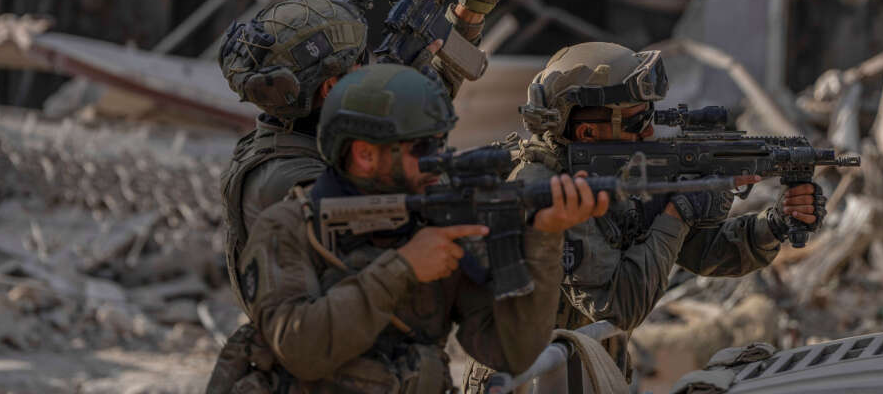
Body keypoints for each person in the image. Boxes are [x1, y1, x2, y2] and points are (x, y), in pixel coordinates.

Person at [208, 63, 606, 394]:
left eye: (440, 143)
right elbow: (301, 349)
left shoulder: (434, 219)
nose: (438, 160)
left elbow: (512, 353)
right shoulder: (289, 227)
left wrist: (545, 237)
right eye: (422, 149)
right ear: (365, 155)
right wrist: (403, 268)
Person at [463, 42, 827, 390]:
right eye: (637, 123)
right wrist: (680, 209)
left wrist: (774, 224)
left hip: (587, 373)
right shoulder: (548, 193)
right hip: (530, 383)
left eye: (651, 116)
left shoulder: (609, 174)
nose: (651, 132)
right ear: (588, 133)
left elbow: (697, 252)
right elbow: (619, 306)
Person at [217, 0, 514, 307]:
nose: (368, 70)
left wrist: (470, 12)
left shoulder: (313, 133)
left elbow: (420, 97)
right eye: (360, 62)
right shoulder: (288, 179)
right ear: (330, 86)